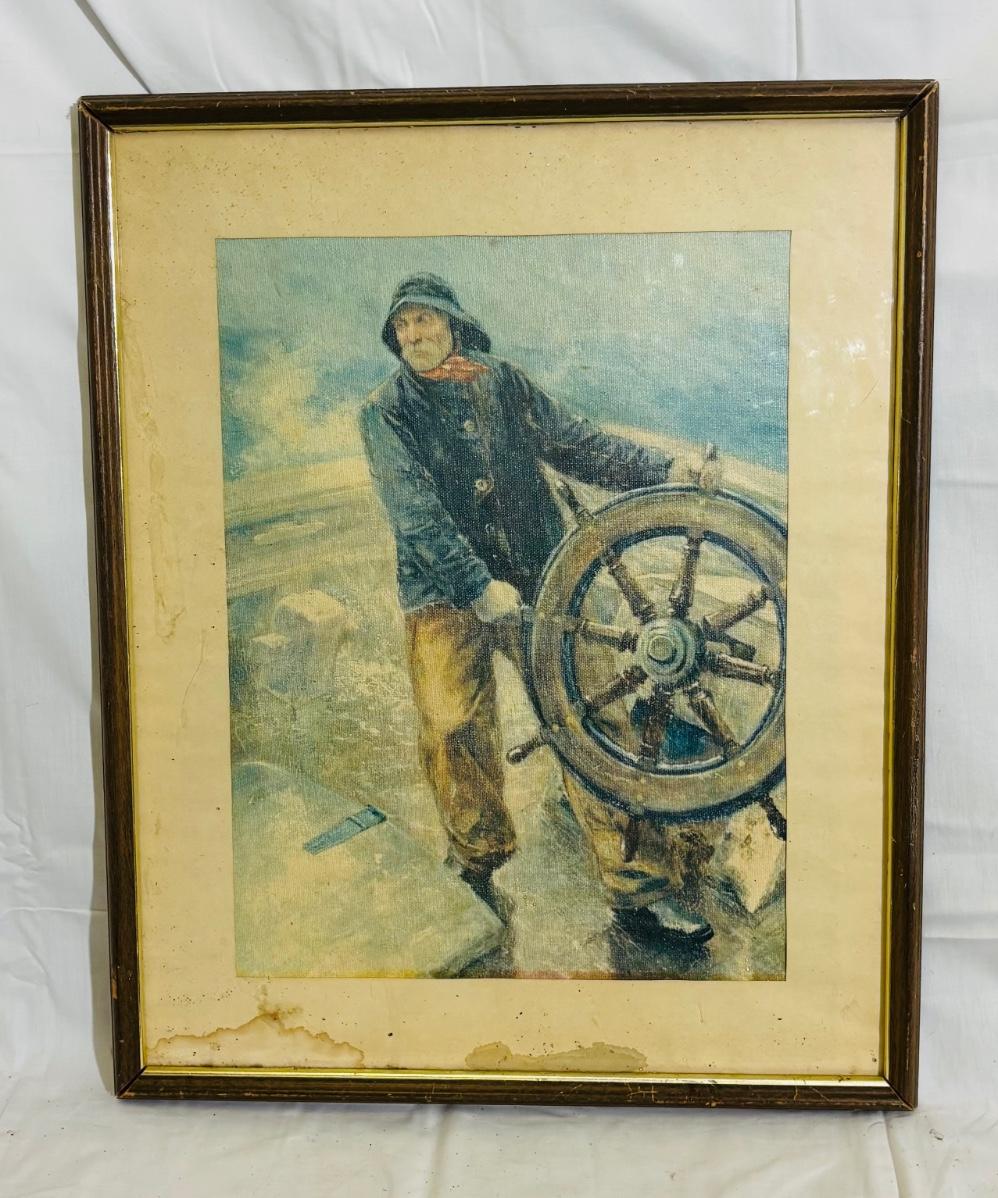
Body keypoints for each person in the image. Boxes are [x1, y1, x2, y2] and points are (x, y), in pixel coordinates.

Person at [359, 273, 712, 947]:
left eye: (424, 320)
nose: (413, 335)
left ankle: (641, 887)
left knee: (595, 719)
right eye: (402, 326)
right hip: (443, 594)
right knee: (453, 729)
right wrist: (475, 584)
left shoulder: (504, 383)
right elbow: (414, 513)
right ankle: (475, 862)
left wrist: (666, 470)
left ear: (453, 323)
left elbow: (581, 445)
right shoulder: (384, 411)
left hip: (543, 582)